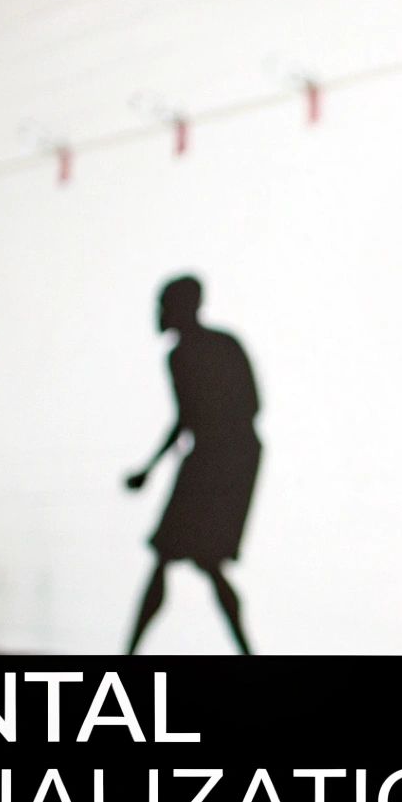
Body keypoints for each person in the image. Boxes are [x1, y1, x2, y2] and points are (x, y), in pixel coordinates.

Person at [124, 274, 261, 655]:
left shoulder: (197, 352)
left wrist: (150, 470)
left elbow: (214, 413)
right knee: (200, 562)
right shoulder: (186, 353)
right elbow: (188, 419)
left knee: (186, 558)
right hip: (219, 459)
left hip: (221, 462)